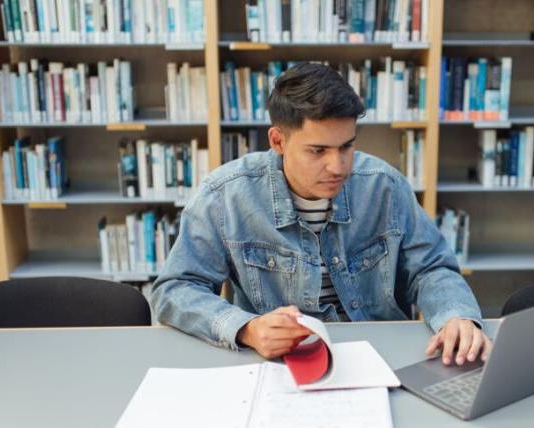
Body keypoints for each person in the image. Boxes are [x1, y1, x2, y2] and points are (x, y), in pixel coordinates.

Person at [153, 62, 492, 366]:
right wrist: (247, 328)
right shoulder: (224, 196)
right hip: (279, 364)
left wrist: (456, 315)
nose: (338, 166)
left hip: (383, 356)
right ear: (278, 141)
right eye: (318, 151)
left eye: (346, 146)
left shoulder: (383, 185)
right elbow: (176, 289)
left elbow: (431, 267)